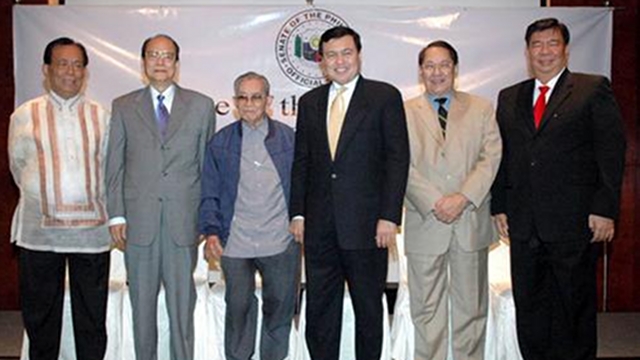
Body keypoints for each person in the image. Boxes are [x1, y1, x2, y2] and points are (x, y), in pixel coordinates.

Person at [491, 18, 626, 360]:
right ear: (527, 51)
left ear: (566, 49)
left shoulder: (591, 89)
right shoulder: (509, 97)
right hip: (523, 225)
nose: (544, 51)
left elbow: (611, 152)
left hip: (575, 223)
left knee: (573, 309)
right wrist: (499, 205)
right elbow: (502, 155)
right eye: (537, 44)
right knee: (531, 309)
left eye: (552, 44)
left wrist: (605, 208)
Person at [289, 26, 410, 359]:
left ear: (358, 55)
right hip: (319, 229)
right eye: (331, 55)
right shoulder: (310, 102)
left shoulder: (384, 96)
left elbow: (397, 159)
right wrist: (297, 213)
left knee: (369, 311)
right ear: (322, 62)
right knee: (320, 312)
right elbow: (302, 161)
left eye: (346, 53)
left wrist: (389, 216)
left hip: (369, 227)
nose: (339, 61)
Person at [106, 34, 215, 360]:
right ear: (143, 63)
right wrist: (116, 214)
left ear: (177, 64)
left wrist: (204, 219)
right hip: (138, 224)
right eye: (153, 55)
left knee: (182, 307)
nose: (160, 62)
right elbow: (115, 164)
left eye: (167, 56)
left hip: (184, 222)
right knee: (142, 306)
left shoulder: (201, 105)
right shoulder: (123, 105)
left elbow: (205, 167)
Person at [8, 37, 111, 359]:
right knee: (41, 320)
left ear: (86, 72)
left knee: (92, 319)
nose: (71, 71)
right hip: (40, 234)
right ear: (46, 69)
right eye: (63, 64)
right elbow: (18, 166)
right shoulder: (24, 115)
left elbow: (108, 168)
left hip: (92, 235)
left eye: (78, 65)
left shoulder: (101, 116)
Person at [404, 40, 502, 360]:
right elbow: (398, 163)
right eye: (429, 66)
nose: (437, 72)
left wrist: (462, 197)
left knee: (471, 309)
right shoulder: (403, 112)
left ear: (455, 69)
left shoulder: (481, 108)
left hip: (469, 220)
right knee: (426, 310)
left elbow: (491, 158)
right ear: (421, 71)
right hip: (425, 220)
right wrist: (435, 201)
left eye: (444, 65)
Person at [198, 71, 300, 360]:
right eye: (243, 97)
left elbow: (305, 186)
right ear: (234, 102)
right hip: (236, 244)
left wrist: (300, 219)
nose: (249, 103)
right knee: (238, 309)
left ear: (269, 101)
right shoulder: (221, 142)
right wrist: (212, 231)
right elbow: (209, 191)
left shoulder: (289, 139)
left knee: (278, 312)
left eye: (256, 97)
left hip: (280, 242)